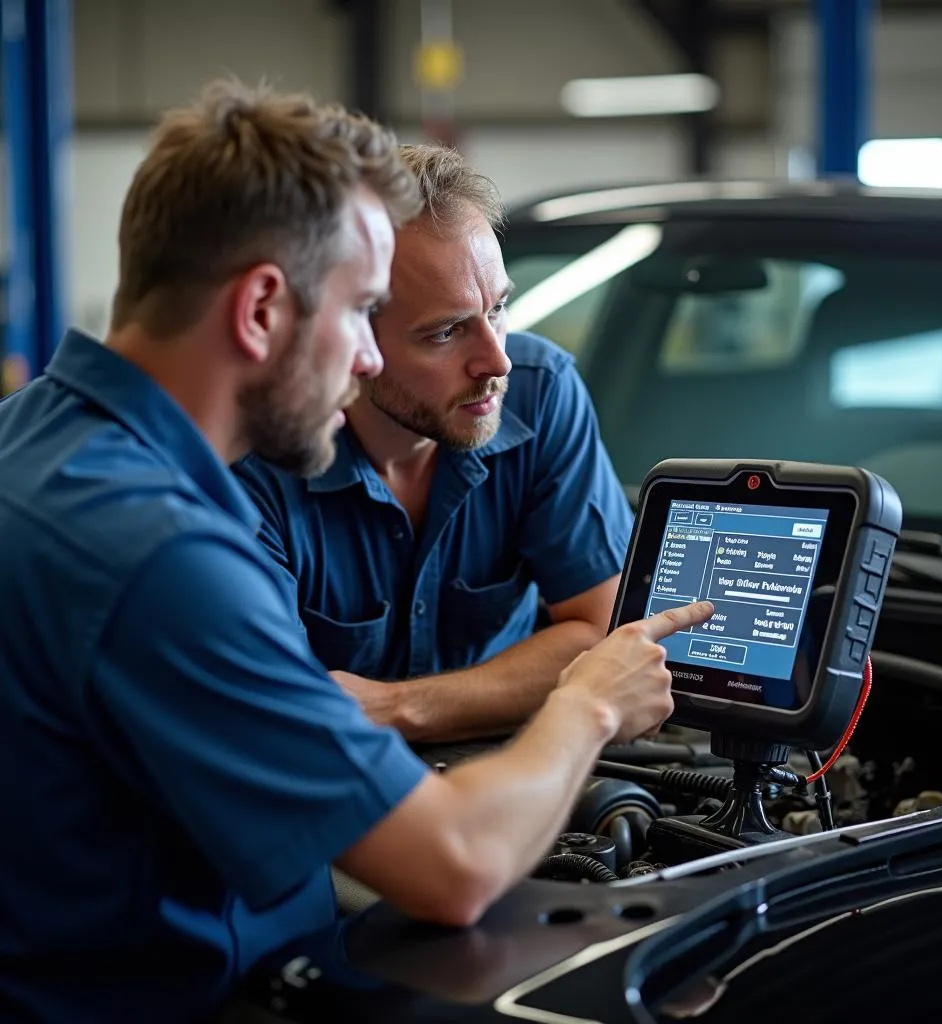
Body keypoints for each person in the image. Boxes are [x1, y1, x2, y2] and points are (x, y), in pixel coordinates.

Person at [0, 79, 713, 1023]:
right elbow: (454, 867)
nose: (368, 363)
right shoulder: (160, 556)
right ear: (260, 309)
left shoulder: (32, 443)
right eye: (358, 311)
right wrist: (585, 706)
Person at [234, 145, 635, 745]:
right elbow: (274, 713)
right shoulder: (254, 462)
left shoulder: (540, 393)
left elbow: (608, 638)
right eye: (445, 332)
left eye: (498, 308)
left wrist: (401, 707)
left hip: (520, 780)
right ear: (350, 333)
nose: (496, 359)